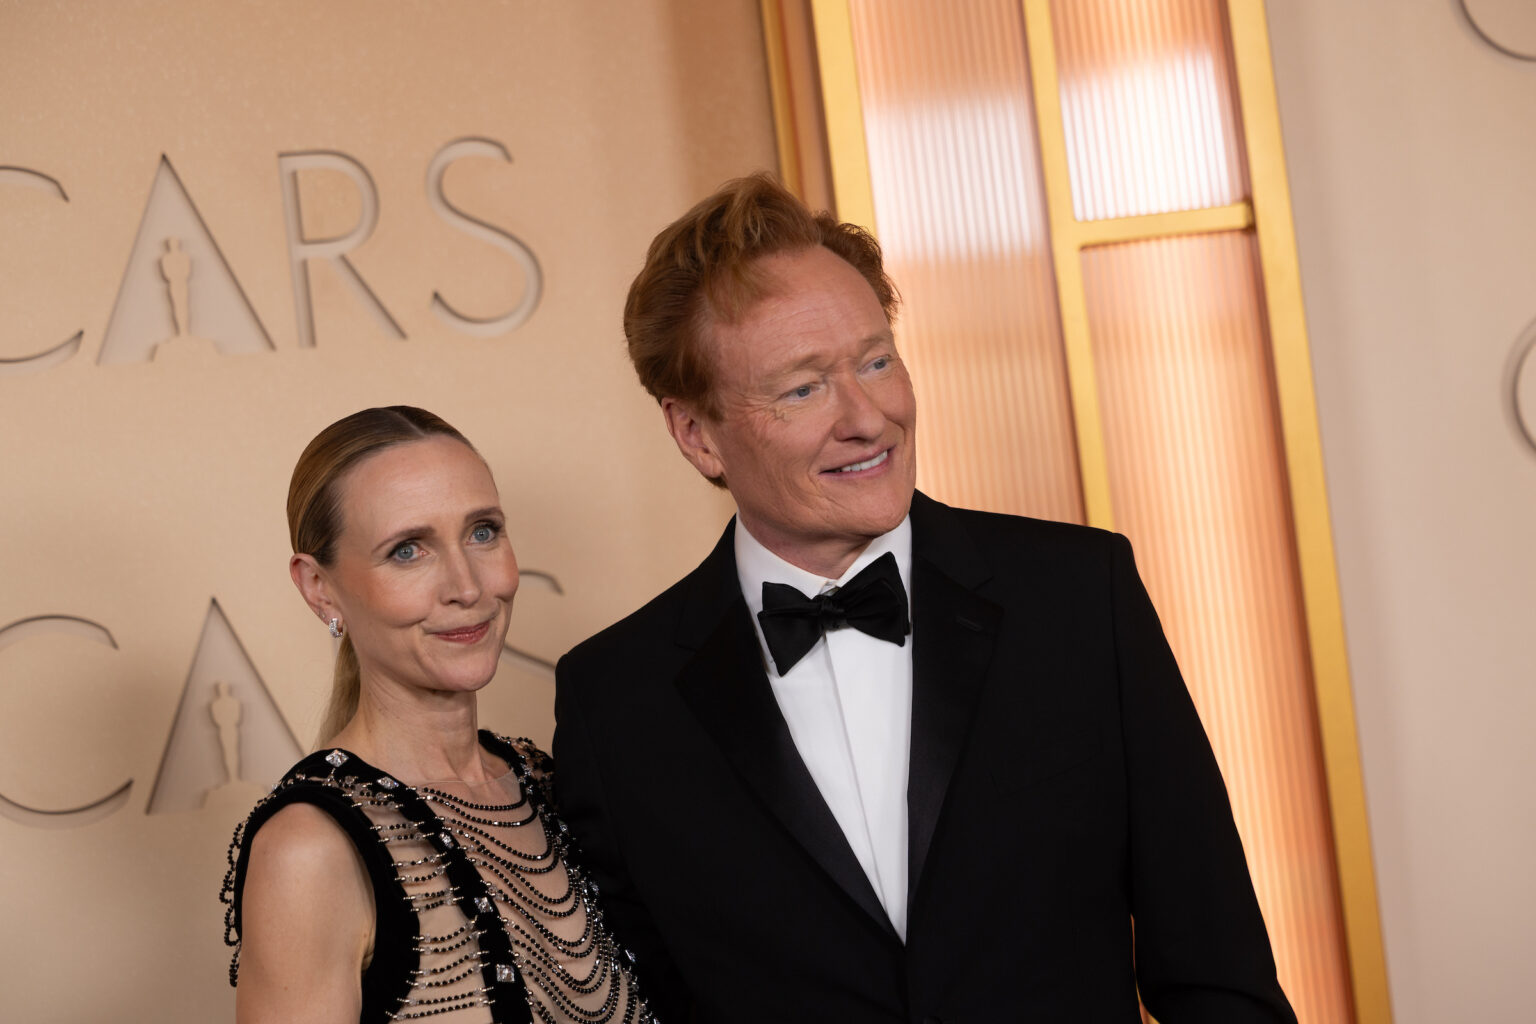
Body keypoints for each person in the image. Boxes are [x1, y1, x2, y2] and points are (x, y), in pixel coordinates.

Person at [553, 175, 1298, 1023]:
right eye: (803, 388)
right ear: (696, 434)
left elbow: (1219, 971)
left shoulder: (1080, 599)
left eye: (876, 361)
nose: (869, 418)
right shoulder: (616, 701)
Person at [221, 406, 653, 1024]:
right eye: (407, 551)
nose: (467, 586)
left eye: (482, 532)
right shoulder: (311, 850)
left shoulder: (552, 784)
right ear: (319, 587)